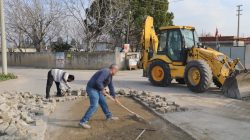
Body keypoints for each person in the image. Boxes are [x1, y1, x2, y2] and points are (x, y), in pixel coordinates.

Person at [79, 64, 119, 129]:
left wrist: (114, 96)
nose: (116, 73)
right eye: (117, 71)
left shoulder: (110, 75)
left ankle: (109, 116)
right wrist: (102, 89)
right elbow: (98, 81)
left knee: (103, 102)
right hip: (92, 88)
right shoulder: (106, 72)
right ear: (114, 69)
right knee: (94, 105)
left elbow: (111, 85)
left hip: (98, 89)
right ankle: (82, 122)